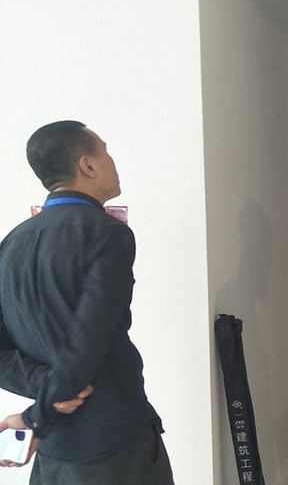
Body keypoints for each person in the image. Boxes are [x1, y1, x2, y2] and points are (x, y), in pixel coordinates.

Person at [0, 120, 175, 484]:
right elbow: (86, 344)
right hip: (112, 445)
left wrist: (44, 392)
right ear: (88, 165)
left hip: (54, 448)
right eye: (106, 152)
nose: (112, 161)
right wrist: (35, 417)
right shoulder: (107, 234)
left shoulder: (11, 243)